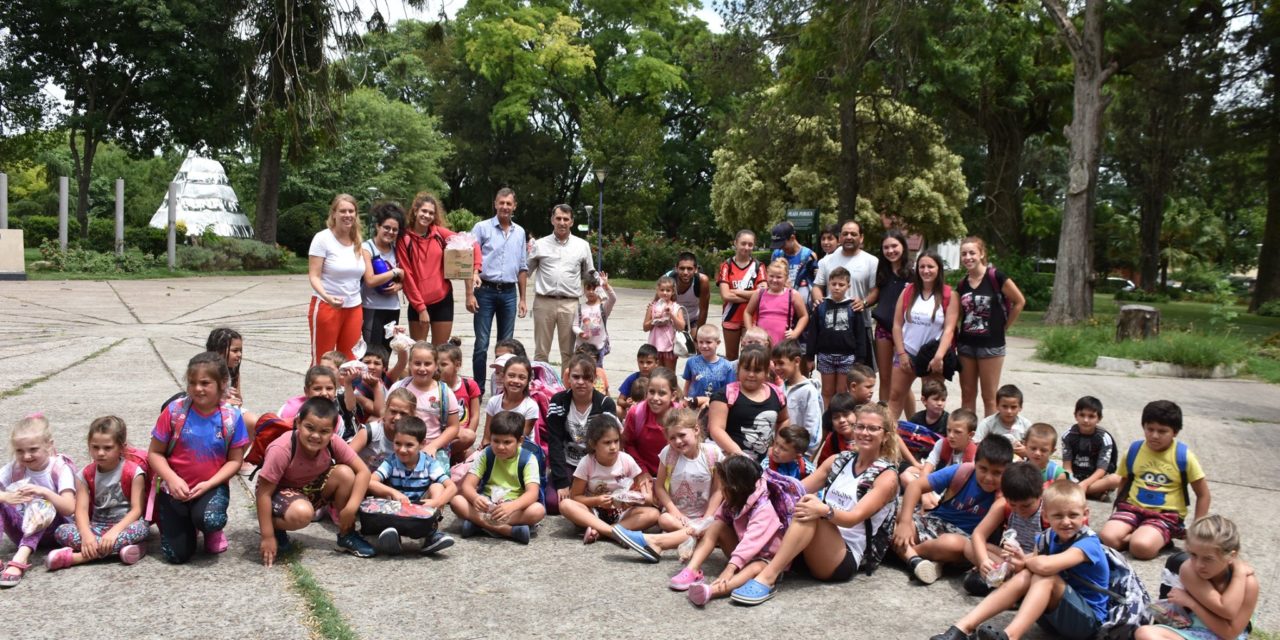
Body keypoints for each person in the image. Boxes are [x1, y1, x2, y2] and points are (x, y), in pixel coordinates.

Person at [727, 404, 901, 605]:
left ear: (886, 436)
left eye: (873, 428)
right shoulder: (839, 460)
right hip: (812, 542)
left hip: (844, 556)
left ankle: (768, 577)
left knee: (812, 508)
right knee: (794, 502)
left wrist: (824, 510)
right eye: (860, 426)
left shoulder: (886, 476)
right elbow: (792, 491)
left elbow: (854, 518)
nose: (864, 433)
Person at [930, 480, 1109, 640]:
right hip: (1051, 616)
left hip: (1087, 623)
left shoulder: (1089, 543)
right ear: (1046, 516)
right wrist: (1019, 561)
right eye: (1058, 516)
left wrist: (1025, 562)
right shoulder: (1046, 538)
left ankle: (1010, 636)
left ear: (1085, 514)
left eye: (1073, 515)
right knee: (1027, 574)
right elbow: (1032, 563)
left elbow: (1044, 566)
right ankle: (962, 628)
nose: (1066, 521)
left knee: (1043, 577)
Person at [148, 352, 249, 564]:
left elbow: (235, 461)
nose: (197, 389)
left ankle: (209, 528)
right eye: (192, 383)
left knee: (211, 519)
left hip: (210, 487)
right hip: (174, 488)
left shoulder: (231, 417)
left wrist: (210, 484)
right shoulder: (174, 412)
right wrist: (172, 480)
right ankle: (188, 524)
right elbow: (155, 453)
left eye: (205, 383)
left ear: (222, 384)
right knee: (176, 556)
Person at [254, 397, 376, 565]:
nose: (316, 436)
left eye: (324, 431)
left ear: (333, 431)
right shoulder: (282, 448)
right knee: (303, 514)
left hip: (308, 490)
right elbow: (263, 493)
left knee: (346, 474)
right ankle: (275, 528)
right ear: (298, 423)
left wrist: (350, 508)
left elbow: (363, 472)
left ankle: (346, 535)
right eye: (309, 428)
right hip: (278, 494)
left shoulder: (333, 443)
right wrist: (267, 536)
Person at [658, 455, 788, 606]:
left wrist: (730, 568)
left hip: (767, 559)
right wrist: (699, 532)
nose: (721, 490)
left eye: (724, 486)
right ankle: (692, 570)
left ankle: (713, 590)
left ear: (735, 487)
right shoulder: (735, 499)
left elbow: (750, 542)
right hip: (742, 554)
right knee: (716, 526)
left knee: (756, 566)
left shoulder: (764, 509)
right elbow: (718, 519)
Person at [893, 436, 1014, 585]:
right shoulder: (962, 471)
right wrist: (905, 523)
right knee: (894, 519)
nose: (988, 477)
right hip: (934, 521)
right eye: (983, 469)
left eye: (997, 473)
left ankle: (906, 554)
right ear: (975, 463)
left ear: (1007, 472)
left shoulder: (1006, 493)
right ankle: (921, 560)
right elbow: (915, 486)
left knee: (951, 544)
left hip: (966, 539)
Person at [1100, 400, 1210, 560]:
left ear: (1175, 432)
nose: (1154, 435)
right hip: (1132, 508)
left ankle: (1153, 538)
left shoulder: (1183, 456)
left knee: (1141, 548)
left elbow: (1203, 494)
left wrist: (1197, 531)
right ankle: (1142, 534)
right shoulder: (1135, 450)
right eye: (1149, 429)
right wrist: (1120, 507)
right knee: (1107, 538)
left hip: (1165, 515)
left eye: (1162, 431)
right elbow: (1124, 480)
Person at [610, 408, 722, 564]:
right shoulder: (669, 454)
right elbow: (660, 486)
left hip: (705, 515)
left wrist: (707, 518)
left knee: (713, 525)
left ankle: (655, 541)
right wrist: (675, 512)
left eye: (682, 435)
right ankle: (702, 538)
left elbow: (718, 490)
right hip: (678, 517)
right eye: (672, 438)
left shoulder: (712, 453)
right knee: (664, 519)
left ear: (696, 429)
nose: (677, 441)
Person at [45, 416, 150, 571]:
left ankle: (78, 557)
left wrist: (114, 532)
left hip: (124, 526)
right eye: (95, 447)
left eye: (108, 448)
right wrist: (87, 535)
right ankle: (129, 550)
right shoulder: (84, 475)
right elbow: (80, 510)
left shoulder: (134, 472)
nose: (100, 453)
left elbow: (137, 510)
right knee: (61, 531)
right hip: (97, 526)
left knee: (142, 528)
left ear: (122, 447)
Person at [1134, 515, 1258, 640]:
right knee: (1145, 633)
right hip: (1193, 632)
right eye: (1193, 554)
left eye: (1208, 559)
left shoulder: (1248, 584)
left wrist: (1238, 575)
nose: (1199, 565)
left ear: (1232, 556)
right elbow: (1224, 609)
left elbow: (1229, 630)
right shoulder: (1189, 569)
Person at [1, 414, 76, 586]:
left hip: (55, 531)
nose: (26, 456)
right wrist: (6, 496)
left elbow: (69, 507)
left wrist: (43, 492)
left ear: (49, 445)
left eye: (33, 449)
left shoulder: (59, 468)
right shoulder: (15, 468)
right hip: (21, 531)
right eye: (20, 451)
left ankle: (20, 560)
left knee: (42, 503)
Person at [559, 415, 659, 544]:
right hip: (594, 513)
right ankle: (615, 533)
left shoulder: (626, 460)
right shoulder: (587, 462)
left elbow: (645, 496)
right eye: (607, 442)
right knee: (565, 505)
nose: (613, 447)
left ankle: (602, 532)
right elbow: (576, 496)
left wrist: (631, 499)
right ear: (593, 444)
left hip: (622, 513)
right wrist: (597, 500)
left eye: (616, 441)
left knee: (653, 514)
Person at [366, 416, 458, 556]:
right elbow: (371, 481)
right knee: (382, 489)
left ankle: (431, 534)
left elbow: (452, 487)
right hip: (397, 509)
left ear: (422, 444)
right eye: (398, 443)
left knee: (437, 486)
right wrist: (394, 492)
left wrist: (436, 502)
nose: (402, 450)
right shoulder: (391, 462)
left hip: (422, 510)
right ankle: (393, 535)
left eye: (409, 445)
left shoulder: (429, 463)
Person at [450, 411, 546, 544]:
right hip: (487, 504)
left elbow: (532, 493)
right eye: (496, 441)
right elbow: (468, 485)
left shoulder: (528, 459)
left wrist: (511, 507)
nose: (500, 447)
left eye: (507, 442)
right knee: (456, 501)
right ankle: (507, 530)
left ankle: (479, 524)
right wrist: (476, 498)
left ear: (520, 441)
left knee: (538, 510)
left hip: (513, 507)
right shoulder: (486, 454)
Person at [956, 236, 1026, 416]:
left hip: (991, 346)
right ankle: (968, 437)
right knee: (967, 394)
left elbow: (1019, 301)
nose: (968, 257)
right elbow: (960, 314)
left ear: (981, 254)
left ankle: (988, 440)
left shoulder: (996, 277)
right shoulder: (962, 284)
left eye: (972, 253)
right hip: (966, 345)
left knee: (989, 397)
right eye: (964, 254)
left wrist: (1004, 326)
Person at [468, 188, 529, 389]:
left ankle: (503, 387)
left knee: (507, 346)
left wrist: (522, 298)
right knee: (481, 344)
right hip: (485, 291)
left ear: (514, 206)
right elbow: (468, 259)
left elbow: (522, 266)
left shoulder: (519, 232)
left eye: (508, 203)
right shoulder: (482, 228)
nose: (504, 207)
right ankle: (478, 387)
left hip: (510, 293)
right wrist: (470, 292)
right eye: (501, 203)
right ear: (495, 204)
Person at [397, 193, 478, 345]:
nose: (427, 215)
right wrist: (421, 308)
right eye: (424, 211)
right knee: (419, 353)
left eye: (431, 213)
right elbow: (407, 275)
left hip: (443, 300)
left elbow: (472, 245)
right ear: (415, 211)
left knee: (441, 352)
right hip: (418, 303)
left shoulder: (439, 234)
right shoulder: (404, 239)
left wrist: (475, 270)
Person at [888, 250, 959, 422]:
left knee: (934, 402)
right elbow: (897, 325)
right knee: (896, 397)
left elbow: (949, 329)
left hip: (932, 356)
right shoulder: (908, 292)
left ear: (938, 269)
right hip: (908, 352)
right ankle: (886, 437)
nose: (926, 271)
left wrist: (939, 357)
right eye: (922, 267)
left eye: (930, 266)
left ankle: (932, 441)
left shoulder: (949, 295)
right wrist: (902, 353)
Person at [962, 461, 1046, 596]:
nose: (1019, 510)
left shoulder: (1048, 511)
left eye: (1026, 506)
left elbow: (1056, 550)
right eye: (1013, 505)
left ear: (1040, 495)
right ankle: (1007, 582)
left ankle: (1010, 587)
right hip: (1008, 560)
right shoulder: (1003, 506)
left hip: (1035, 560)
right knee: (969, 546)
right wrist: (984, 560)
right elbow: (978, 534)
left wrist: (1024, 560)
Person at [545, 355, 619, 504]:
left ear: (594, 379)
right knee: (553, 502)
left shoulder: (606, 404)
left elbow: (610, 444)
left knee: (602, 498)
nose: (580, 382)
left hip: (596, 464)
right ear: (568, 377)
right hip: (568, 463)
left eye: (586, 377)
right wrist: (561, 483)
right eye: (576, 377)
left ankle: (584, 500)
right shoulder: (558, 401)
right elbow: (555, 442)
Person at [529, 204, 595, 368]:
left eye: (566, 219)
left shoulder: (582, 245)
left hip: (570, 304)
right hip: (544, 302)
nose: (562, 222)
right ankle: (541, 389)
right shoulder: (540, 244)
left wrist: (598, 300)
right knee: (541, 352)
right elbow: (525, 270)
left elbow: (590, 274)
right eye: (558, 218)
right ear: (552, 220)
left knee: (568, 352)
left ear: (572, 222)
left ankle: (567, 390)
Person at [307, 194, 366, 364]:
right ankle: (316, 391)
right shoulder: (322, 238)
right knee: (323, 359)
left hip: (354, 307)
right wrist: (327, 297)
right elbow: (314, 276)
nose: (347, 215)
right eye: (343, 211)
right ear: (334, 214)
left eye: (351, 211)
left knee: (349, 360)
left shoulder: (357, 240)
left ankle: (344, 391)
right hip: (327, 305)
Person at [811, 220, 879, 365]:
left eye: (853, 234)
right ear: (840, 237)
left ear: (861, 238)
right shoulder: (826, 261)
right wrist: (818, 301)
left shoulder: (871, 261)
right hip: (830, 327)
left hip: (859, 326)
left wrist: (864, 302)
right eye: (845, 234)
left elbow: (875, 291)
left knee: (861, 377)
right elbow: (817, 286)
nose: (848, 237)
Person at [706, 345, 789, 462]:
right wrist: (740, 455)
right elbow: (716, 429)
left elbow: (783, 419)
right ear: (739, 369)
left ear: (766, 372)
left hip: (760, 463)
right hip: (727, 461)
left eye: (757, 370)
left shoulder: (777, 394)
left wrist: (777, 444)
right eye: (747, 369)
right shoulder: (725, 395)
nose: (751, 374)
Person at [387, 342, 461, 469]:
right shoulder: (398, 387)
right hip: (401, 448)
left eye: (427, 364)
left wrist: (434, 446)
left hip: (432, 449)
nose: (422, 368)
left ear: (436, 365)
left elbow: (453, 426)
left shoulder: (444, 393)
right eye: (417, 363)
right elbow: (386, 416)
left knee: (436, 485)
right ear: (409, 364)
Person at [806, 266, 868, 407]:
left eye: (841, 285)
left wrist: (860, 358)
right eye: (834, 284)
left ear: (848, 286)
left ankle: (840, 420)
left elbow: (860, 334)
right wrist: (810, 357)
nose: (837, 288)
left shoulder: (853, 307)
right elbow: (813, 333)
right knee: (827, 391)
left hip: (847, 357)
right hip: (825, 356)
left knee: (842, 392)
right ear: (829, 284)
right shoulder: (821, 306)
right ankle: (827, 422)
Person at [871, 229, 913, 407]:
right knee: (886, 378)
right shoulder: (882, 271)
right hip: (882, 330)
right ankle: (883, 420)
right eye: (886, 247)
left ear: (903, 246)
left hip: (905, 332)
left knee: (903, 380)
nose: (891, 251)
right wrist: (864, 302)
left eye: (894, 246)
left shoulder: (913, 273)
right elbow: (876, 294)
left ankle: (913, 424)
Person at [901, 408, 979, 499]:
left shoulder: (976, 455)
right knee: (905, 475)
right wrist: (926, 494)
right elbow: (926, 470)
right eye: (949, 430)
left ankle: (930, 503)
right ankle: (929, 502)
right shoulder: (942, 444)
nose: (951, 436)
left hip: (955, 493)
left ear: (971, 435)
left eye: (957, 432)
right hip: (936, 487)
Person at [360, 202, 406, 351]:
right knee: (371, 353)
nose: (390, 232)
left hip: (393, 308)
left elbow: (405, 276)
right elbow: (370, 280)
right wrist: (395, 272)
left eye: (395, 230)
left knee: (387, 351)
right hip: (372, 307)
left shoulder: (396, 248)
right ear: (378, 226)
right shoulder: (367, 248)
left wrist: (399, 285)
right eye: (387, 227)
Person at [716, 229, 767, 361]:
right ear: (735, 243)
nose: (746, 247)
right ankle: (732, 382)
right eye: (743, 243)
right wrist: (752, 294)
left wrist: (736, 291)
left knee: (749, 356)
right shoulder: (726, 266)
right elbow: (726, 296)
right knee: (731, 357)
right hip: (730, 316)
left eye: (750, 244)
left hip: (752, 317)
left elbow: (763, 294)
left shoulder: (758, 266)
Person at [623, 368, 682, 477]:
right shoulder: (636, 413)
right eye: (652, 392)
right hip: (643, 473)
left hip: (675, 474)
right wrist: (642, 471)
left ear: (673, 395)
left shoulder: (682, 416)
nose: (655, 398)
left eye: (662, 393)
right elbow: (628, 444)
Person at [1062, 396, 1121, 500]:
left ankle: (1077, 491)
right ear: (1075, 415)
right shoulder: (1068, 436)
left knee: (1116, 479)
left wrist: (1084, 484)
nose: (1086, 420)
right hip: (1075, 477)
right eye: (1082, 415)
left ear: (1099, 418)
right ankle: (1092, 492)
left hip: (1096, 478)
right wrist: (1073, 481)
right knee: (1057, 475)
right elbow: (1067, 467)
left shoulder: (1104, 438)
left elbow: (1101, 469)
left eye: (1091, 416)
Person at [772, 340, 822, 457]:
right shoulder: (779, 388)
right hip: (779, 452)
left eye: (781, 363)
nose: (777, 368)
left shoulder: (809, 391)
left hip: (798, 455)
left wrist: (804, 453)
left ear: (797, 361)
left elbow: (813, 425)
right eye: (775, 364)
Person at [745, 258, 809, 348]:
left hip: (783, 343)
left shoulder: (793, 294)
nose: (774, 280)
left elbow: (804, 316)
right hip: (761, 342)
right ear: (767, 276)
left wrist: (795, 333)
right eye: (771, 276)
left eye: (779, 277)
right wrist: (750, 330)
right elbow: (748, 312)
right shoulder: (759, 293)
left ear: (786, 278)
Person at [349, 387, 415, 471]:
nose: (397, 417)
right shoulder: (370, 431)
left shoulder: (412, 439)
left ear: (412, 416)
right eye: (393, 411)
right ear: (385, 410)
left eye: (403, 414)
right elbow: (346, 457)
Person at [439, 340, 482, 464]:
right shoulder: (434, 387)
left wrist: (469, 439)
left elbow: (475, 415)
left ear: (457, 365)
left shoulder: (469, 385)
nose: (438, 368)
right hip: (441, 435)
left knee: (474, 461)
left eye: (443, 364)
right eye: (436, 364)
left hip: (461, 436)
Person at [483, 355, 539, 443]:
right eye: (511, 375)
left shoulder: (530, 406)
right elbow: (487, 437)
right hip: (494, 449)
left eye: (522, 377)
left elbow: (519, 441)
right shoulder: (493, 402)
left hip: (520, 452)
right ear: (503, 376)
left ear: (528, 380)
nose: (516, 381)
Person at [681, 325, 735, 409]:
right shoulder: (691, 362)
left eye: (708, 342)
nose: (704, 346)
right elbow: (688, 383)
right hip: (693, 405)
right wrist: (684, 399)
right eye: (701, 342)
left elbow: (730, 390)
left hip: (715, 406)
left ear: (718, 343)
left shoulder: (727, 366)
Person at [769, 221, 819, 305]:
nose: (781, 248)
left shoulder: (809, 255)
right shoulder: (777, 254)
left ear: (792, 238)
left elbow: (815, 284)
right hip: (781, 303)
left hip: (803, 304)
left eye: (782, 244)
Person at [573, 271, 616, 366]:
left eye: (594, 289)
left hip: (598, 347)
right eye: (588, 288)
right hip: (582, 348)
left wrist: (606, 286)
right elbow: (575, 325)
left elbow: (613, 299)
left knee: (597, 372)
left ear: (599, 289)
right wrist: (581, 333)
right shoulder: (580, 307)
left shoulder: (603, 307)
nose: (591, 292)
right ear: (584, 290)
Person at [644, 275, 687, 372]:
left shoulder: (676, 307)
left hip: (670, 347)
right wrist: (654, 320)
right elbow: (645, 327)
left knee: (669, 375)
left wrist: (671, 314)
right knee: (656, 375)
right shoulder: (652, 307)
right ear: (657, 290)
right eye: (662, 290)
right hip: (654, 346)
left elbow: (681, 327)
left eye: (668, 290)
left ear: (673, 292)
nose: (665, 293)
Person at [976, 384, 1031, 457]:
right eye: (1004, 406)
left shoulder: (1025, 425)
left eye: (1013, 407)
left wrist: (1026, 451)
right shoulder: (987, 424)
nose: (1009, 411)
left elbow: (1036, 447)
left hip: (1019, 465)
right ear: (997, 406)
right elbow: (975, 445)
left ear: (1020, 407)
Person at [668, 252, 711, 334]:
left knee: (695, 344)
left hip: (693, 320)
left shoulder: (702, 281)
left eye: (689, 269)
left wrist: (698, 335)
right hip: (673, 320)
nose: (685, 272)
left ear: (695, 269)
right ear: (676, 268)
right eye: (682, 268)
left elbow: (704, 310)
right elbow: (656, 303)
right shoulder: (668, 280)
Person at [813, 393, 860, 466]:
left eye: (846, 414)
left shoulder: (866, 436)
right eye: (836, 417)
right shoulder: (833, 440)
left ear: (856, 414)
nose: (841, 420)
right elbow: (822, 465)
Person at [206, 327, 245, 408]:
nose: (239, 354)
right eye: (235, 351)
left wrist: (237, 396)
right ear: (219, 351)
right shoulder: (205, 372)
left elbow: (239, 403)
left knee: (256, 420)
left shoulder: (234, 372)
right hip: (209, 411)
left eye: (240, 350)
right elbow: (199, 399)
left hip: (229, 410)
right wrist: (224, 402)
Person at [617, 344, 660, 416]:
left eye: (649, 362)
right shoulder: (632, 378)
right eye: (641, 362)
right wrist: (627, 404)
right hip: (634, 412)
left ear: (656, 363)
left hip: (654, 412)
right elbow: (619, 400)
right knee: (617, 409)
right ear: (637, 361)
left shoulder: (660, 380)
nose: (645, 366)